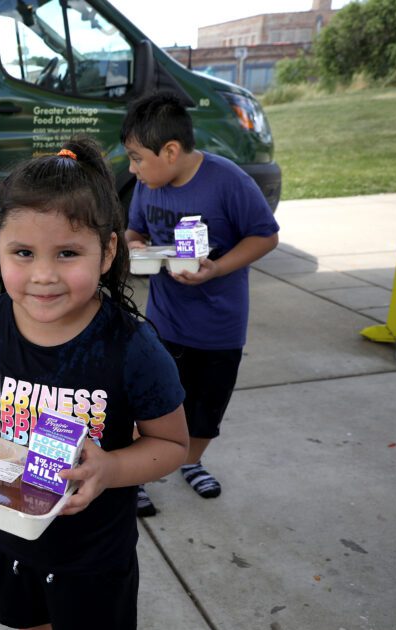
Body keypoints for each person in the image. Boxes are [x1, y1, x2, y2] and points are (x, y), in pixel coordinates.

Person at [0, 138, 190, 630]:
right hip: (9, 533)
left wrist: (109, 468)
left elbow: (172, 443)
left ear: (108, 251)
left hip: (93, 548)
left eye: (67, 253)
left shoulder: (131, 347)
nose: (43, 274)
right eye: (23, 253)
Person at [120, 92, 280, 517]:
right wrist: (136, 248)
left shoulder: (228, 181)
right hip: (162, 323)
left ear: (170, 151)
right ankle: (135, 475)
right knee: (148, 404)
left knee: (207, 408)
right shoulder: (146, 184)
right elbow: (134, 230)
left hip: (218, 326)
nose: (132, 169)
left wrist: (217, 268)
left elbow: (265, 235)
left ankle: (191, 461)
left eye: (137, 158)